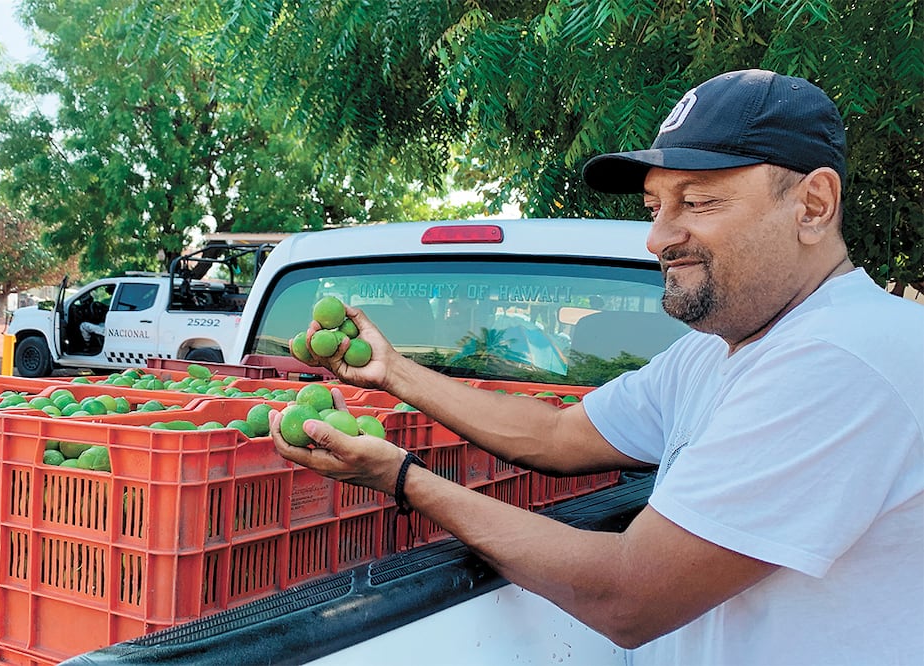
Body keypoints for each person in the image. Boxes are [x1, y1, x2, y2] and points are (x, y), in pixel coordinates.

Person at [269, 68, 924, 664]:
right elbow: (557, 437)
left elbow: (628, 596)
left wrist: (403, 479)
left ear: (811, 206)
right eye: (653, 207)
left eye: (697, 203)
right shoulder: (723, 346)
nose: (657, 237)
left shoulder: (841, 358)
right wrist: (394, 371)